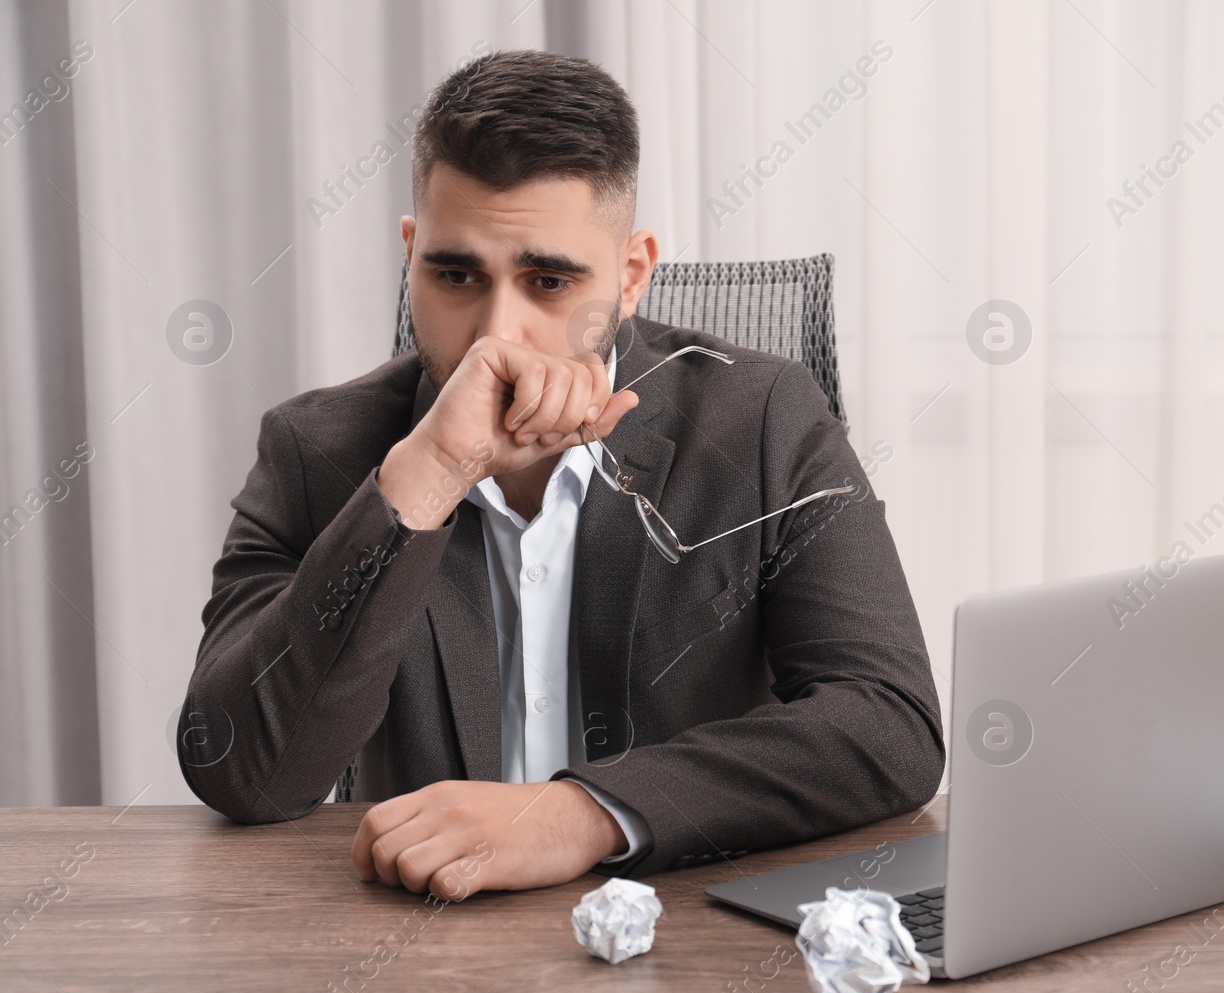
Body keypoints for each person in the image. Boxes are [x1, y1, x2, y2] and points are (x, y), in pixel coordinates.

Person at [180, 49, 942, 901]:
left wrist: (578, 814)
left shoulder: (766, 418)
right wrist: (428, 476)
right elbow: (239, 769)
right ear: (410, 254)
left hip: (687, 940)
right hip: (422, 957)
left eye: (549, 280)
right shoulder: (315, 449)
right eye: (456, 273)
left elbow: (889, 723)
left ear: (629, 276)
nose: (494, 333)